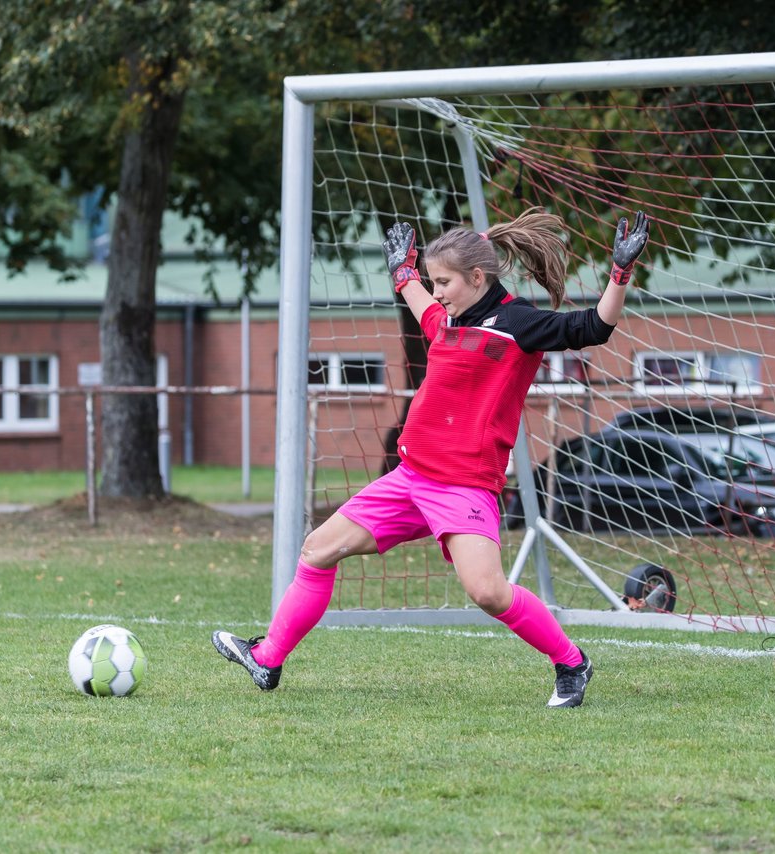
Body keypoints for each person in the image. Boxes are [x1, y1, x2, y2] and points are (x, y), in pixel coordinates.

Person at [213, 206, 650, 708]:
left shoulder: (519, 324)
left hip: (464, 485)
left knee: (487, 592)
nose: (436, 291)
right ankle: (267, 658)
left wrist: (619, 273)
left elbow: (593, 327)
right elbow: (419, 300)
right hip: (409, 479)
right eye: (433, 282)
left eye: (444, 282)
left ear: (477, 278)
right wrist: (404, 269)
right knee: (316, 550)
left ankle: (572, 662)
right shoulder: (445, 321)